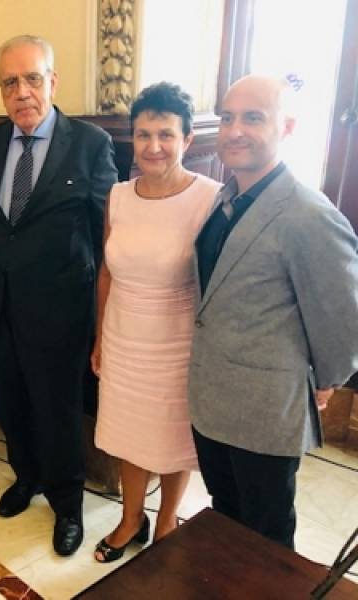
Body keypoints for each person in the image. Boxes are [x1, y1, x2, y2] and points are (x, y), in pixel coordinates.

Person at [189, 74, 358, 549]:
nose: (234, 130)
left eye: (253, 118)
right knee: (225, 517)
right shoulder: (225, 199)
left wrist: (324, 380)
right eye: (227, 118)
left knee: (266, 537)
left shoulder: (309, 215)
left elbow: (342, 319)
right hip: (212, 400)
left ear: (287, 127)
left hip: (264, 412)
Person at [0, 35, 118, 556]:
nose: (22, 92)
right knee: (11, 403)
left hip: (59, 309)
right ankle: (25, 476)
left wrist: (103, 317)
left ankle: (67, 503)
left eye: (33, 79)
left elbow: (107, 233)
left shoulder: (90, 144)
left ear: (53, 82)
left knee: (58, 411)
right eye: (10, 82)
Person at [90, 82, 221, 562]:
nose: (154, 146)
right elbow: (107, 271)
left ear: (187, 139)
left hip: (177, 345)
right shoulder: (118, 196)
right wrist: (100, 338)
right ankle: (131, 520)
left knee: (171, 438)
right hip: (123, 338)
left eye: (166, 134)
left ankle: (166, 522)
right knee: (130, 435)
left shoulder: (209, 198)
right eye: (144, 135)